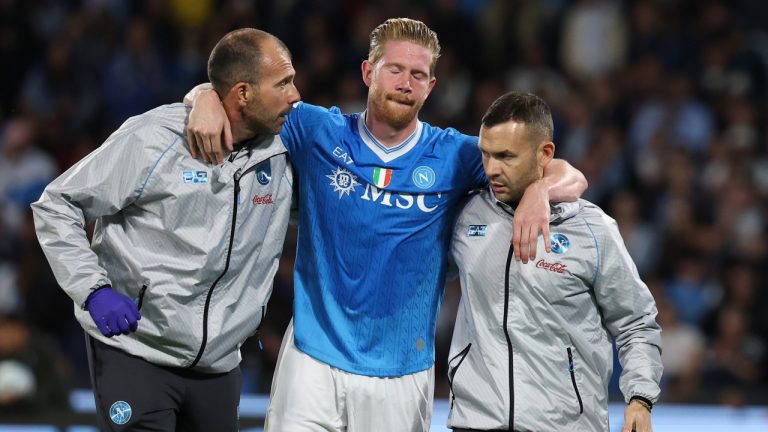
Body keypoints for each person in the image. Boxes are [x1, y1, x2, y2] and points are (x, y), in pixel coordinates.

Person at [186, 18, 588, 431]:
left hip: (401, 372)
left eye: (418, 75)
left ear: (431, 86)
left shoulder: (454, 155)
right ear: (368, 72)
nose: (405, 83)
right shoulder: (318, 131)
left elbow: (565, 172)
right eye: (394, 70)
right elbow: (242, 95)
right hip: (312, 358)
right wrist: (202, 98)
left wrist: (539, 192)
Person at [30, 28, 300, 431]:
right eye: (283, 83)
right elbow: (57, 204)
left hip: (220, 364)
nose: (296, 94)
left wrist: (204, 93)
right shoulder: (157, 138)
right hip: (137, 350)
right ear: (242, 93)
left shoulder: (286, 147)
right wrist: (93, 290)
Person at [447, 92, 662, 432]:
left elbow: (635, 322)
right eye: (485, 155)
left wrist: (640, 397)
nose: (491, 169)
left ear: (545, 153)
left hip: (567, 424)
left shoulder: (593, 229)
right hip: (477, 421)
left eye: (506, 156)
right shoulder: (465, 215)